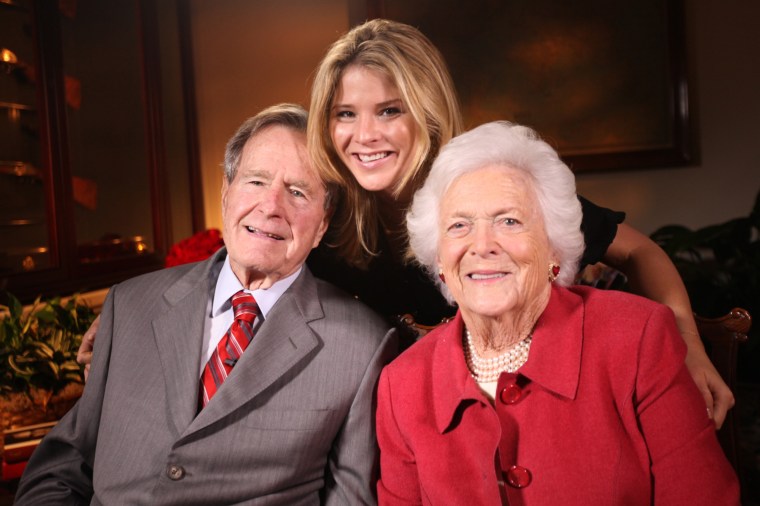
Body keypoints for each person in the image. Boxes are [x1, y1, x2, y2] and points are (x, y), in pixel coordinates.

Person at [305, 18, 733, 427]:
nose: (364, 135)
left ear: (427, 111)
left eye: (389, 111)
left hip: (539, 399)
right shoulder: (322, 223)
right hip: (412, 414)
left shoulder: (491, 184)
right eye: (345, 114)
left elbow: (639, 250)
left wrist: (688, 348)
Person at [16, 104, 397, 505]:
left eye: (298, 192)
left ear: (323, 222)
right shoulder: (128, 304)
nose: (270, 206)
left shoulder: (361, 346)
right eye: (255, 181)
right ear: (225, 191)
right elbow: (63, 465)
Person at [375, 121, 739, 504]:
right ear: (440, 262)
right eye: (459, 225)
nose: (481, 245)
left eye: (509, 221)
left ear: (554, 248)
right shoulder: (403, 385)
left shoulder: (637, 338)